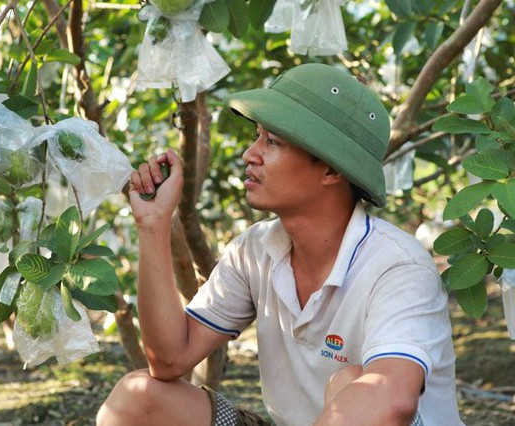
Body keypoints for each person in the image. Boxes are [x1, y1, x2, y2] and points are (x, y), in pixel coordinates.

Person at [96, 63, 462, 425]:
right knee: (137, 398)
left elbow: (392, 401)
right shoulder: (255, 251)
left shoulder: (396, 266)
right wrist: (153, 225)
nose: (249, 154)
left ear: (332, 170)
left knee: (352, 382)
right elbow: (169, 359)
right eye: (257, 136)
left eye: (272, 141)